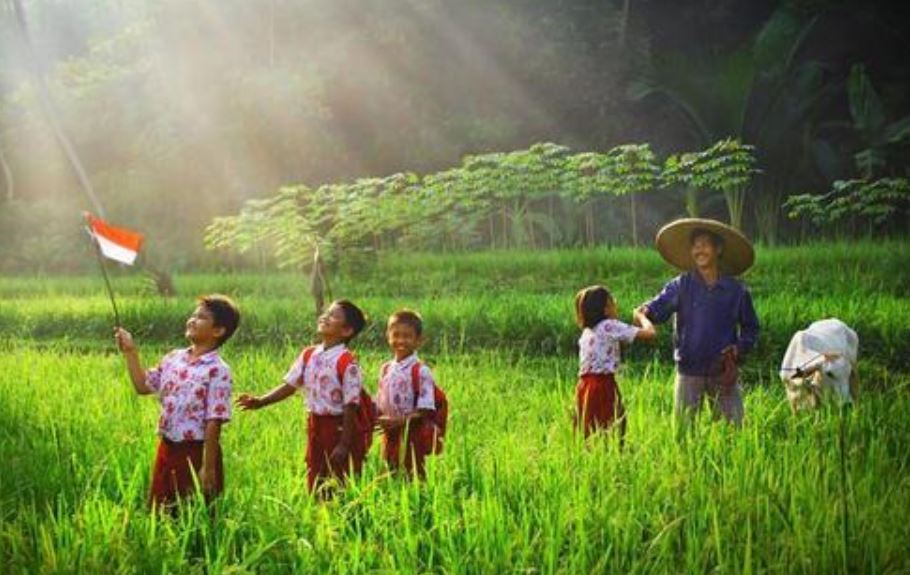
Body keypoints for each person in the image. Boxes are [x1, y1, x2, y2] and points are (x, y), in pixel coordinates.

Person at [114, 295, 240, 508]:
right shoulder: (174, 358)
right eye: (193, 315)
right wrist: (130, 352)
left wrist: (207, 468)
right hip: (167, 446)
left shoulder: (218, 370)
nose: (192, 319)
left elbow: (214, 420)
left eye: (201, 317)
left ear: (218, 331)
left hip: (196, 452)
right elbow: (143, 386)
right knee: (160, 511)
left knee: (192, 514)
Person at [637, 218, 759, 430]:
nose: (698, 250)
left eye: (704, 244)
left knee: (734, 431)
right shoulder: (681, 285)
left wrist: (739, 348)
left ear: (718, 249)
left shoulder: (736, 291)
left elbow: (751, 328)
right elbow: (657, 309)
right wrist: (644, 312)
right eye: (695, 246)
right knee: (683, 432)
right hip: (689, 370)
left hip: (723, 370)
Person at [236, 299, 368, 493]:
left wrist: (344, 443)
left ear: (347, 330)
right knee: (315, 471)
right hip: (315, 424)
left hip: (338, 426)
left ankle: (339, 515)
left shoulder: (347, 362)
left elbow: (351, 405)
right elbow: (290, 385)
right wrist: (261, 401)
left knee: (338, 474)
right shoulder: (309, 354)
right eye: (326, 312)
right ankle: (318, 512)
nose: (325, 316)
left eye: (333, 315)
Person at [574, 285, 656, 442]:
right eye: (612, 301)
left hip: (584, 386)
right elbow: (650, 334)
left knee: (589, 430)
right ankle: (613, 457)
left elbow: (617, 343)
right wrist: (641, 317)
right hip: (603, 385)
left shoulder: (588, 331)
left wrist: (632, 327)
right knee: (613, 427)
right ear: (605, 309)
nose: (616, 304)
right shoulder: (610, 325)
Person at [376, 309, 438, 478]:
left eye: (407, 336)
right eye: (396, 335)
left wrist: (400, 421)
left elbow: (426, 409)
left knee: (413, 473)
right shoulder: (386, 369)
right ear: (388, 337)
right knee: (389, 471)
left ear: (418, 341)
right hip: (389, 433)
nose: (401, 340)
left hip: (411, 433)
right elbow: (380, 402)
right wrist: (377, 418)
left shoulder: (421, 370)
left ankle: (416, 502)